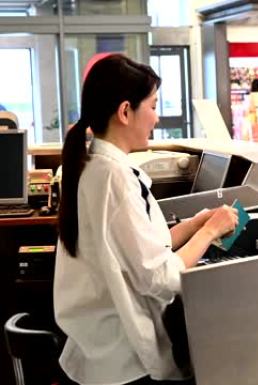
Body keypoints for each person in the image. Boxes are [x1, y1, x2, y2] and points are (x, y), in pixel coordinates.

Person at [54, 54, 238, 384]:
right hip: (123, 362)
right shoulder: (115, 178)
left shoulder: (94, 166)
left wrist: (193, 226)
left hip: (98, 353)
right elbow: (160, 278)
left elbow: (137, 247)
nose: (156, 118)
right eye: (152, 106)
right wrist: (210, 231)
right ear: (126, 112)